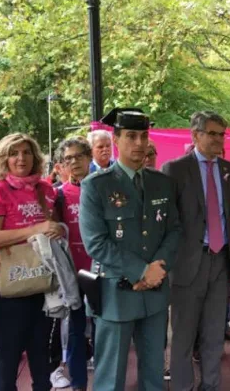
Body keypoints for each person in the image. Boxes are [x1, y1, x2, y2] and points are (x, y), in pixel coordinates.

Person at [79, 109, 181, 391]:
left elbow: (174, 230)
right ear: (116, 139)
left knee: (154, 376)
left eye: (144, 136)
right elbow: (96, 242)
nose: (139, 143)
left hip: (155, 295)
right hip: (117, 293)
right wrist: (142, 271)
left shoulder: (162, 183)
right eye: (131, 136)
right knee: (110, 380)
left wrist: (158, 269)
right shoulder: (96, 186)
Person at [0, 133, 63, 391]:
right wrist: (35, 229)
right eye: (14, 153)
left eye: (26, 152)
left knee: (40, 343)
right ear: (4, 159)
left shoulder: (46, 190)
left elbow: (54, 226)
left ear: (35, 157)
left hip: (41, 274)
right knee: (10, 345)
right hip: (7, 276)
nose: (21, 158)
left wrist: (57, 229)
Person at [162, 111, 230, 391]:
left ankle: (210, 386)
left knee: (214, 334)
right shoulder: (175, 169)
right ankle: (183, 387)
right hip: (187, 264)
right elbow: (168, 221)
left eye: (222, 134)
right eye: (213, 133)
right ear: (196, 135)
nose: (219, 139)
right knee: (183, 336)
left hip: (221, 261)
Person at [53, 137, 94, 391]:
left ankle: (106, 377)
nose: (74, 162)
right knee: (76, 329)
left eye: (79, 156)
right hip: (72, 272)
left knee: (103, 327)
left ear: (89, 158)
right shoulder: (59, 195)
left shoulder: (102, 187)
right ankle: (79, 382)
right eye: (68, 158)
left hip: (100, 270)